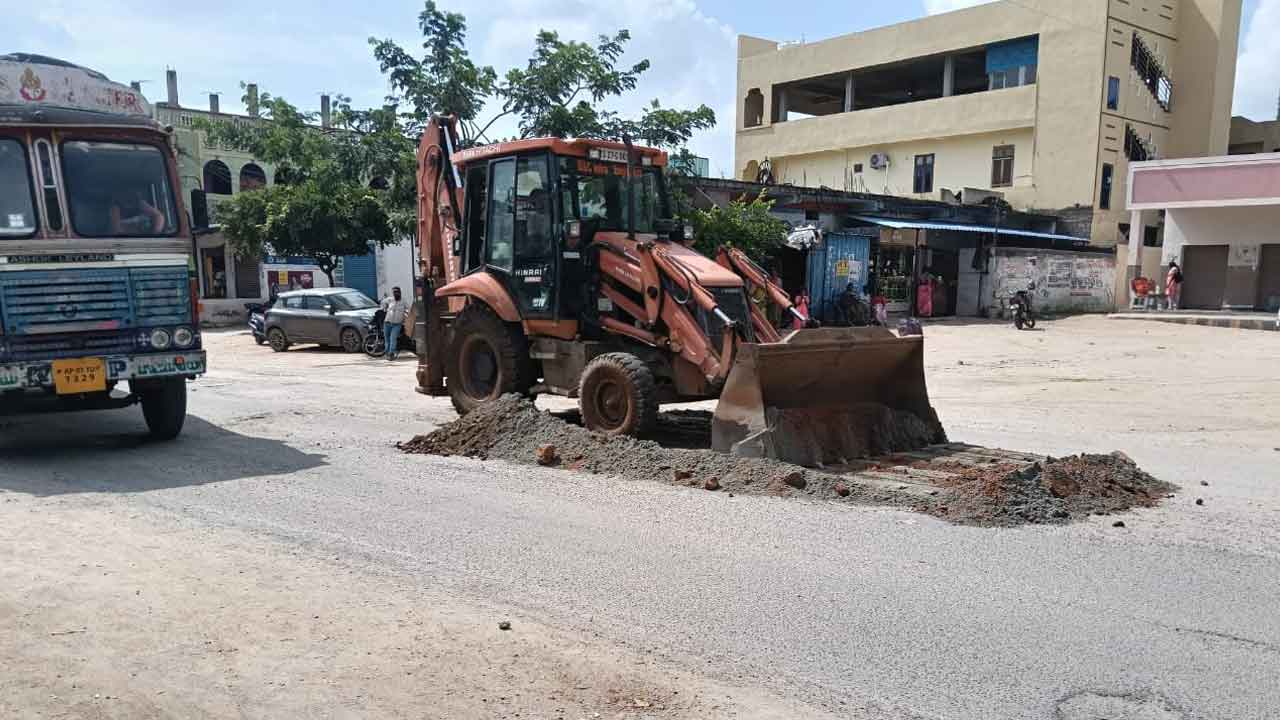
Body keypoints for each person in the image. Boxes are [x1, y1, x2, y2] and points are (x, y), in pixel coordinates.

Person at [380, 286, 410, 361]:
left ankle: (391, 353)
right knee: (387, 339)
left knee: (393, 338)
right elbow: (383, 302)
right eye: (394, 292)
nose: (395, 293)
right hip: (387, 322)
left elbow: (409, 309)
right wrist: (384, 307)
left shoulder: (403, 301)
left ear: (400, 292)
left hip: (397, 324)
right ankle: (387, 352)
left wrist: (407, 315)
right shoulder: (390, 299)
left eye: (397, 292)